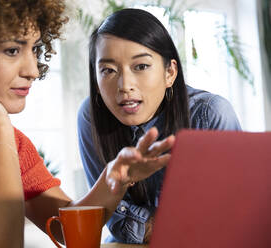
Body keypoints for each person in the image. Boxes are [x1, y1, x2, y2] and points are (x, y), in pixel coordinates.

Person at [0, 1, 175, 248]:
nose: (32, 70)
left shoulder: (7, 142)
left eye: (35, 49)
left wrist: (117, 177)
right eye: (12, 50)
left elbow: (68, 230)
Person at [77, 8, 242, 244]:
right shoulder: (91, 116)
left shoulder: (210, 115)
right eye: (109, 70)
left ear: (170, 72)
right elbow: (109, 217)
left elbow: (227, 221)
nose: (125, 85)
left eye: (141, 66)